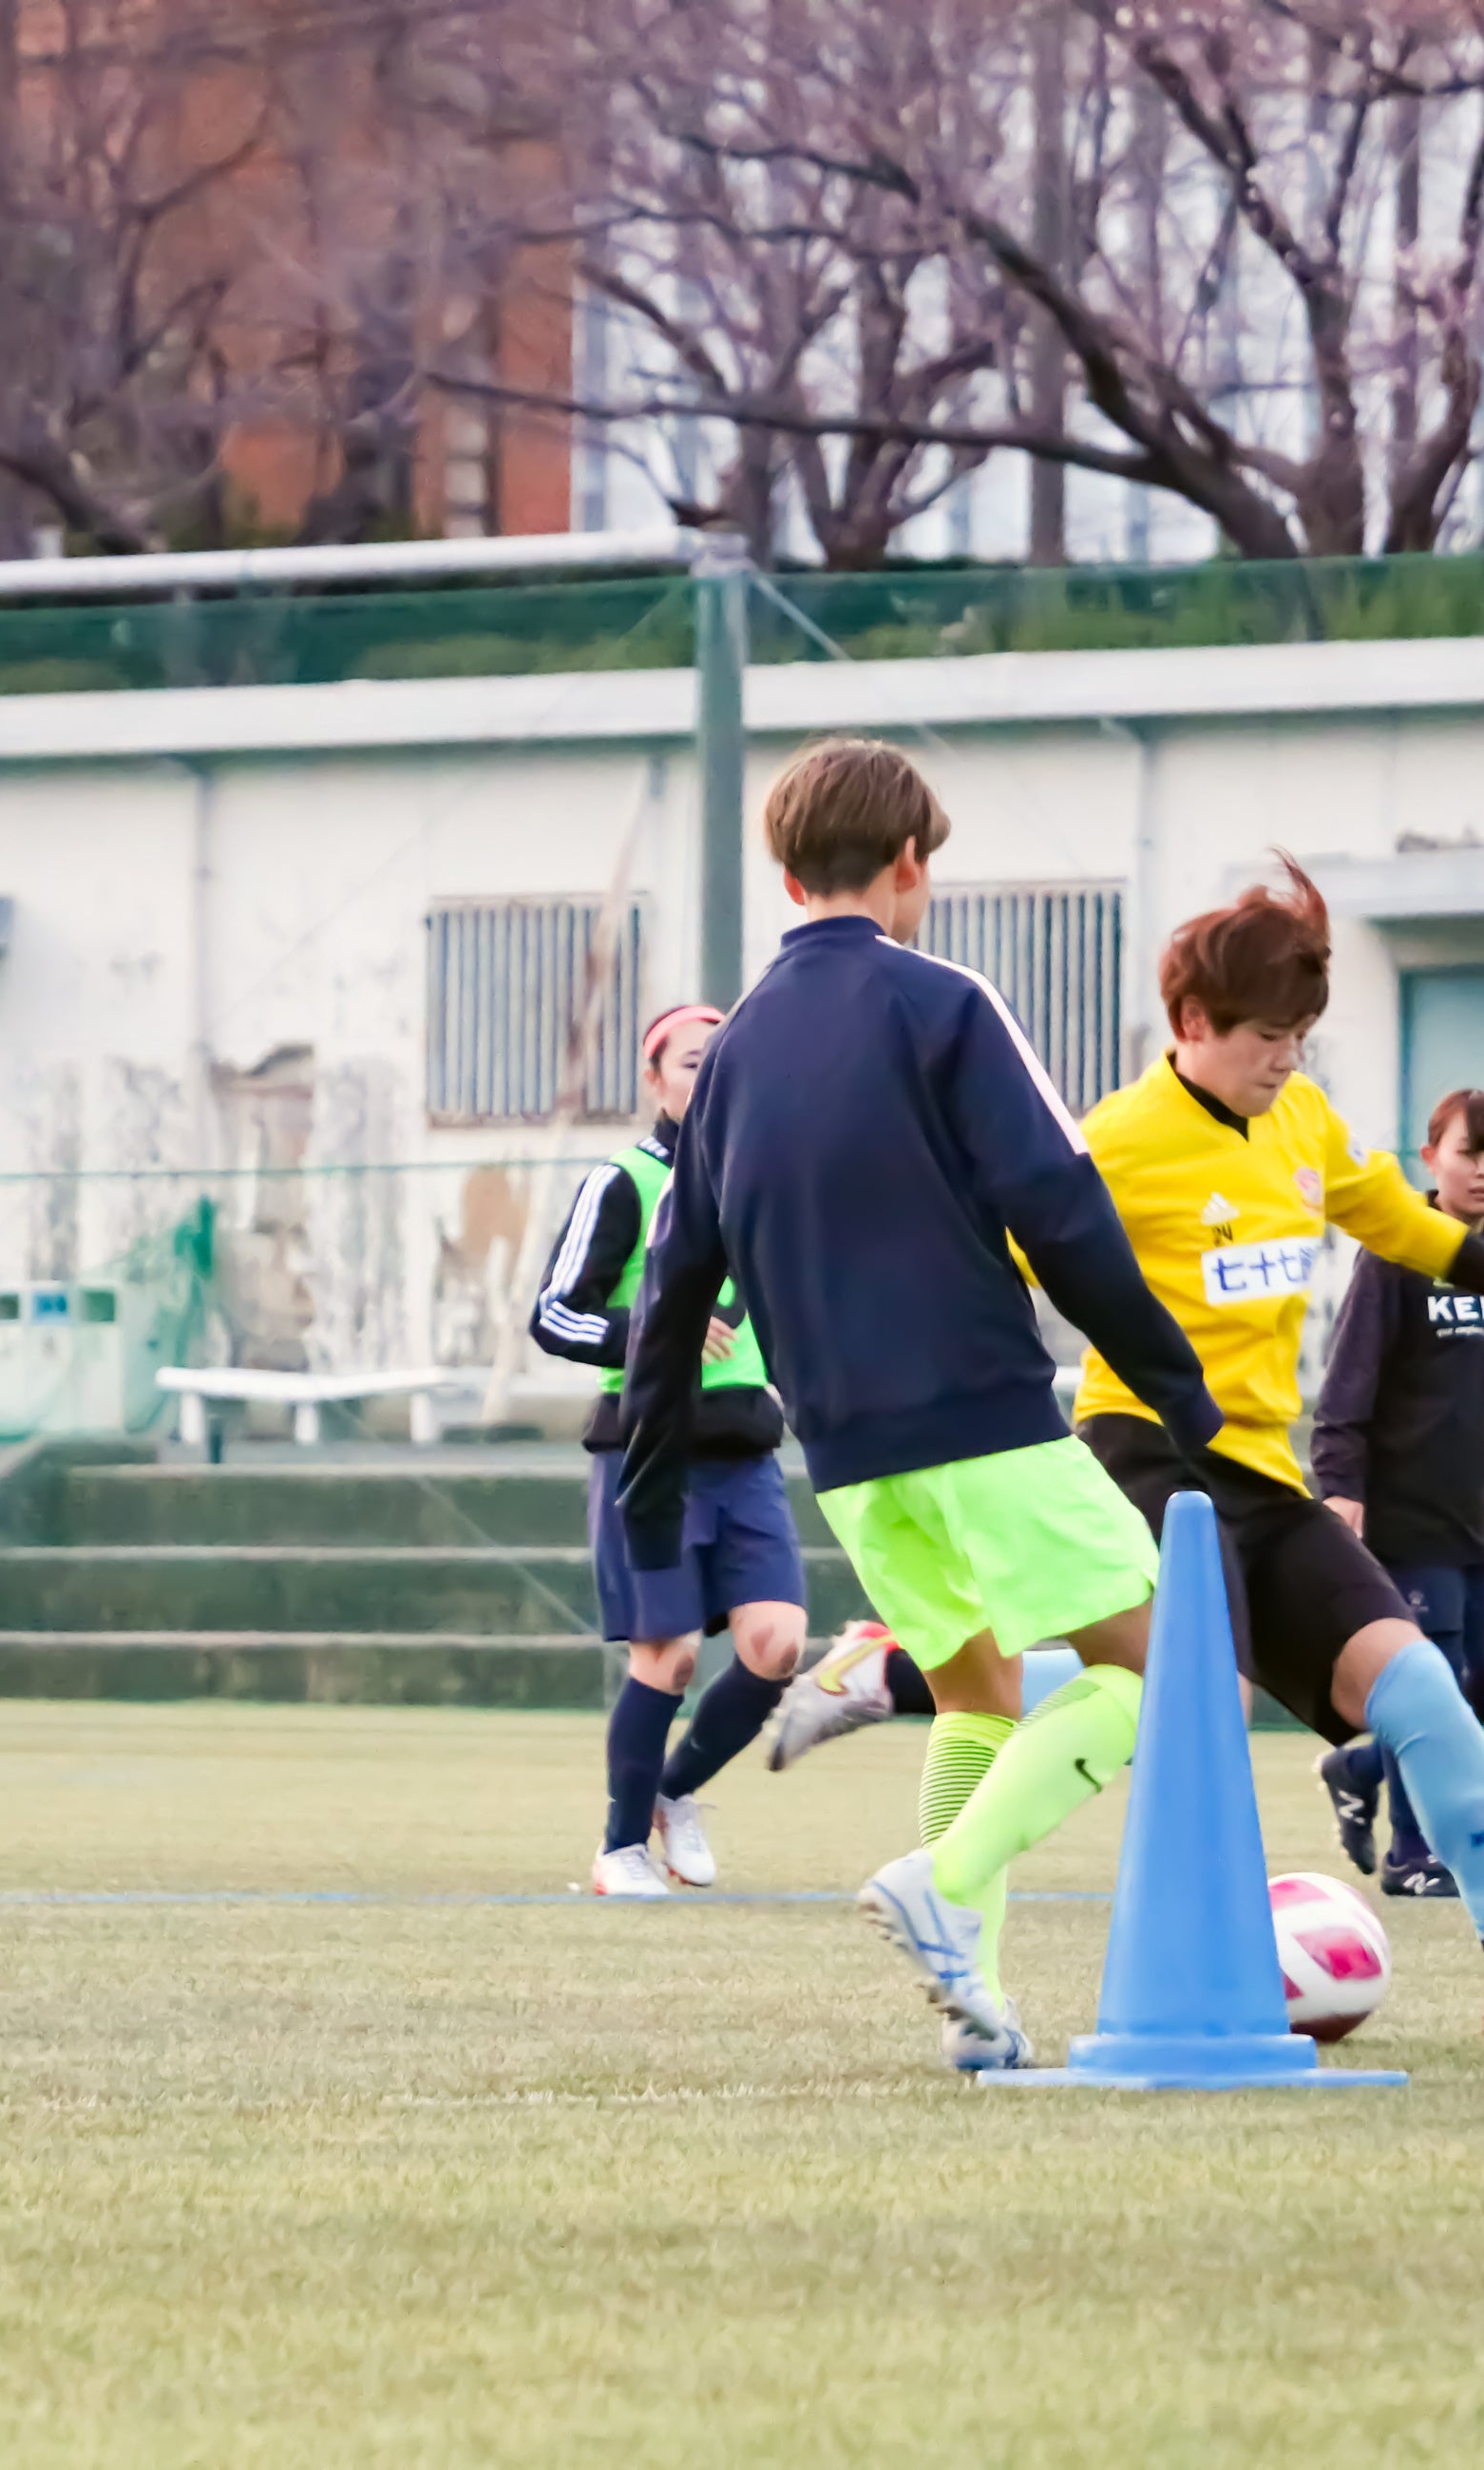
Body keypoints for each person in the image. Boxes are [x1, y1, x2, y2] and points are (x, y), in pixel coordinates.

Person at [615, 738, 1227, 2070]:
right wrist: (1181, 1390)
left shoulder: (731, 1057)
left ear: (783, 873)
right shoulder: (944, 1002)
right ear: (911, 866)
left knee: (979, 1704)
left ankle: (981, 2011)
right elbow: (1059, 1206)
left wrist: (649, 1487)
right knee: (1168, 1674)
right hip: (983, 1418)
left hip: (844, 1455)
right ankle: (945, 1885)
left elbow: (674, 1291)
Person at [1062, 863, 1484, 2042]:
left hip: (1265, 1481)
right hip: (1146, 1456)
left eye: (1302, 1038)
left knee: (1424, 1689)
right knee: (1198, 1703)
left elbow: (1411, 1225)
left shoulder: (1305, 1122)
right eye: (1268, 1036)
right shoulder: (1116, 1143)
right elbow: (997, 1258)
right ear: (1191, 1025)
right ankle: (936, 1680)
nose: (1287, 1060)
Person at [529, 1004, 814, 1895]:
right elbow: (553, 1314)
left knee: (777, 1645)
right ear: (655, 1080)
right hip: (648, 1453)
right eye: (693, 1063)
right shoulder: (622, 1182)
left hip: (745, 1458)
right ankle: (619, 1851)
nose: (710, 1079)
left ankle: (673, 1790)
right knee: (671, 1655)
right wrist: (663, 1333)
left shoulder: (761, 1183)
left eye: (725, 1063)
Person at [1309, 1087, 1484, 1899]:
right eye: (1467, 1154)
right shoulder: (1397, 1254)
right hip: (1407, 1521)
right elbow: (1348, 1383)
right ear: (1430, 1160)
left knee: (1483, 1683)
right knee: (1434, 1681)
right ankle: (1418, 1854)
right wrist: (1340, 1486)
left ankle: (1362, 1762)